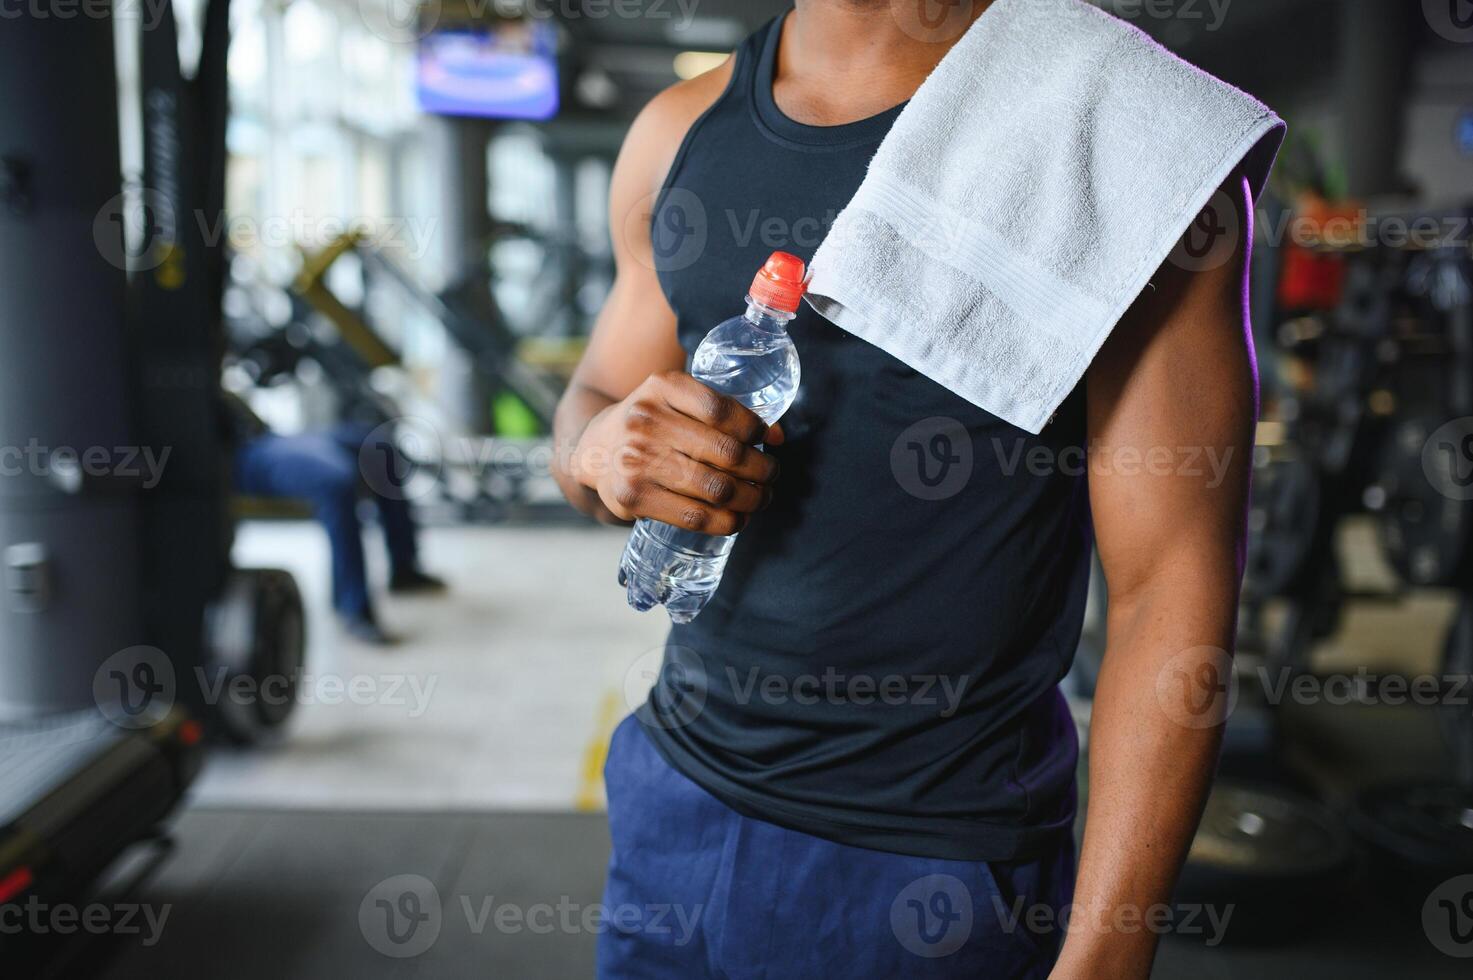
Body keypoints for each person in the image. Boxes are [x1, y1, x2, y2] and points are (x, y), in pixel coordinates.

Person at [553, 3, 1259, 977]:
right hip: (675, 791)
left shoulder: (1121, 138)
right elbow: (594, 395)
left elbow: (1170, 578)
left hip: (934, 859)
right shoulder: (678, 130)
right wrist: (594, 444)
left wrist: (1108, 951)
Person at [224, 393, 446, 645]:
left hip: (270, 436)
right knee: (336, 479)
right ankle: (354, 607)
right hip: (241, 454)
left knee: (379, 446)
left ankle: (404, 569)